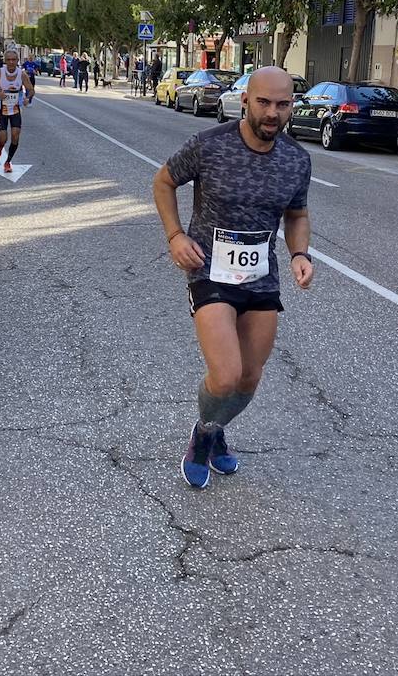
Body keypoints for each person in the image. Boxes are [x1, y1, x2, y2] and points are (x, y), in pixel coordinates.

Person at [151, 67, 314, 490]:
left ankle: (215, 427)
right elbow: (163, 181)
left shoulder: (297, 159)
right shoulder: (210, 146)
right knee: (225, 374)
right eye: (264, 102)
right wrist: (175, 236)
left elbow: (296, 214)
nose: (273, 113)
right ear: (245, 100)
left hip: (261, 277)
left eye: (282, 104)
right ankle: (203, 435)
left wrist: (299, 253)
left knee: (249, 377)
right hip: (209, 270)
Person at [0, 49, 35, 174]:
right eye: (8, 60)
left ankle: (8, 162)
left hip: (16, 110)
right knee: (3, 139)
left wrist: (28, 98)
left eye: (14, 60)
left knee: (15, 137)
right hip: (2, 110)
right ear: (5, 61)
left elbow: (31, 90)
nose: (11, 62)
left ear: (17, 61)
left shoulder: (22, 74)